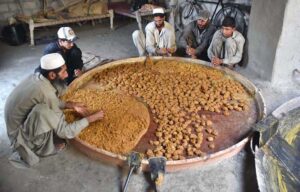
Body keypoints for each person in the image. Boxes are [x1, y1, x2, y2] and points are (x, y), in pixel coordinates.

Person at [5, 53, 104, 166]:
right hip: (18, 135)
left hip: (15, 122)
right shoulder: (46, 93)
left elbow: (48, 99)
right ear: (52, 75)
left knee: (47, 109)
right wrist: (90, 118)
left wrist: (69, 105)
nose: (67, 75)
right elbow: (65, 131)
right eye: (63, 72)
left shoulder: (37, 77)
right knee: (44, 112)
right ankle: (38, 147)